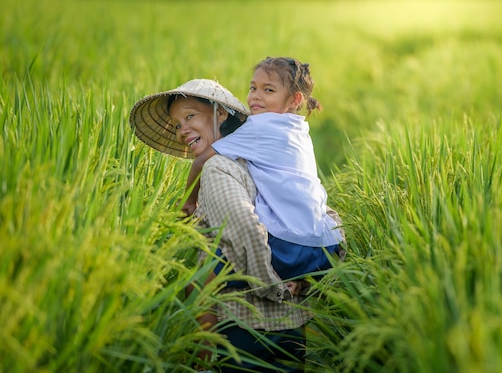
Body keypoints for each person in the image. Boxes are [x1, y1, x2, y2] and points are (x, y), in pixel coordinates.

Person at [129, 78, 344, 372]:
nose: (182, 130)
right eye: (178, 124)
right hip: (291, 322)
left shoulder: (218, 167)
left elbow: (244, 228)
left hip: (244, 326)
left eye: (190, 116)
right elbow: (323, 215)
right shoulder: (270, 160)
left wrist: (273, 287)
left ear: (220, 113)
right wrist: (306, 282)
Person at [183, 57, 345, 283]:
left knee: (201, 279)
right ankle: (297, 283)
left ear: (294, 99)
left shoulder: (259, 126)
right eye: (253, 88)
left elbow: (201, 161)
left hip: (290, 245)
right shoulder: (298, 128)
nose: (255, 96)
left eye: (268, 90)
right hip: (325, 247)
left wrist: (189, 202)